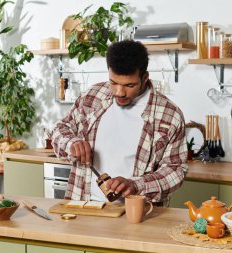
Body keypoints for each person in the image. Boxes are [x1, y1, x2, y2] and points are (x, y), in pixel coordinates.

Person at [52, 40, 187, 206]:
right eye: (113, 82)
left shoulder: (169, 115)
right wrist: (72, 143)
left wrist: (136, 185)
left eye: (129, 85)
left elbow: (176, 170)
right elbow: (60, 130)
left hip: (138, 213)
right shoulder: (92, 97)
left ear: (144, 78)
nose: (119, 92)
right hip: (84, 206)